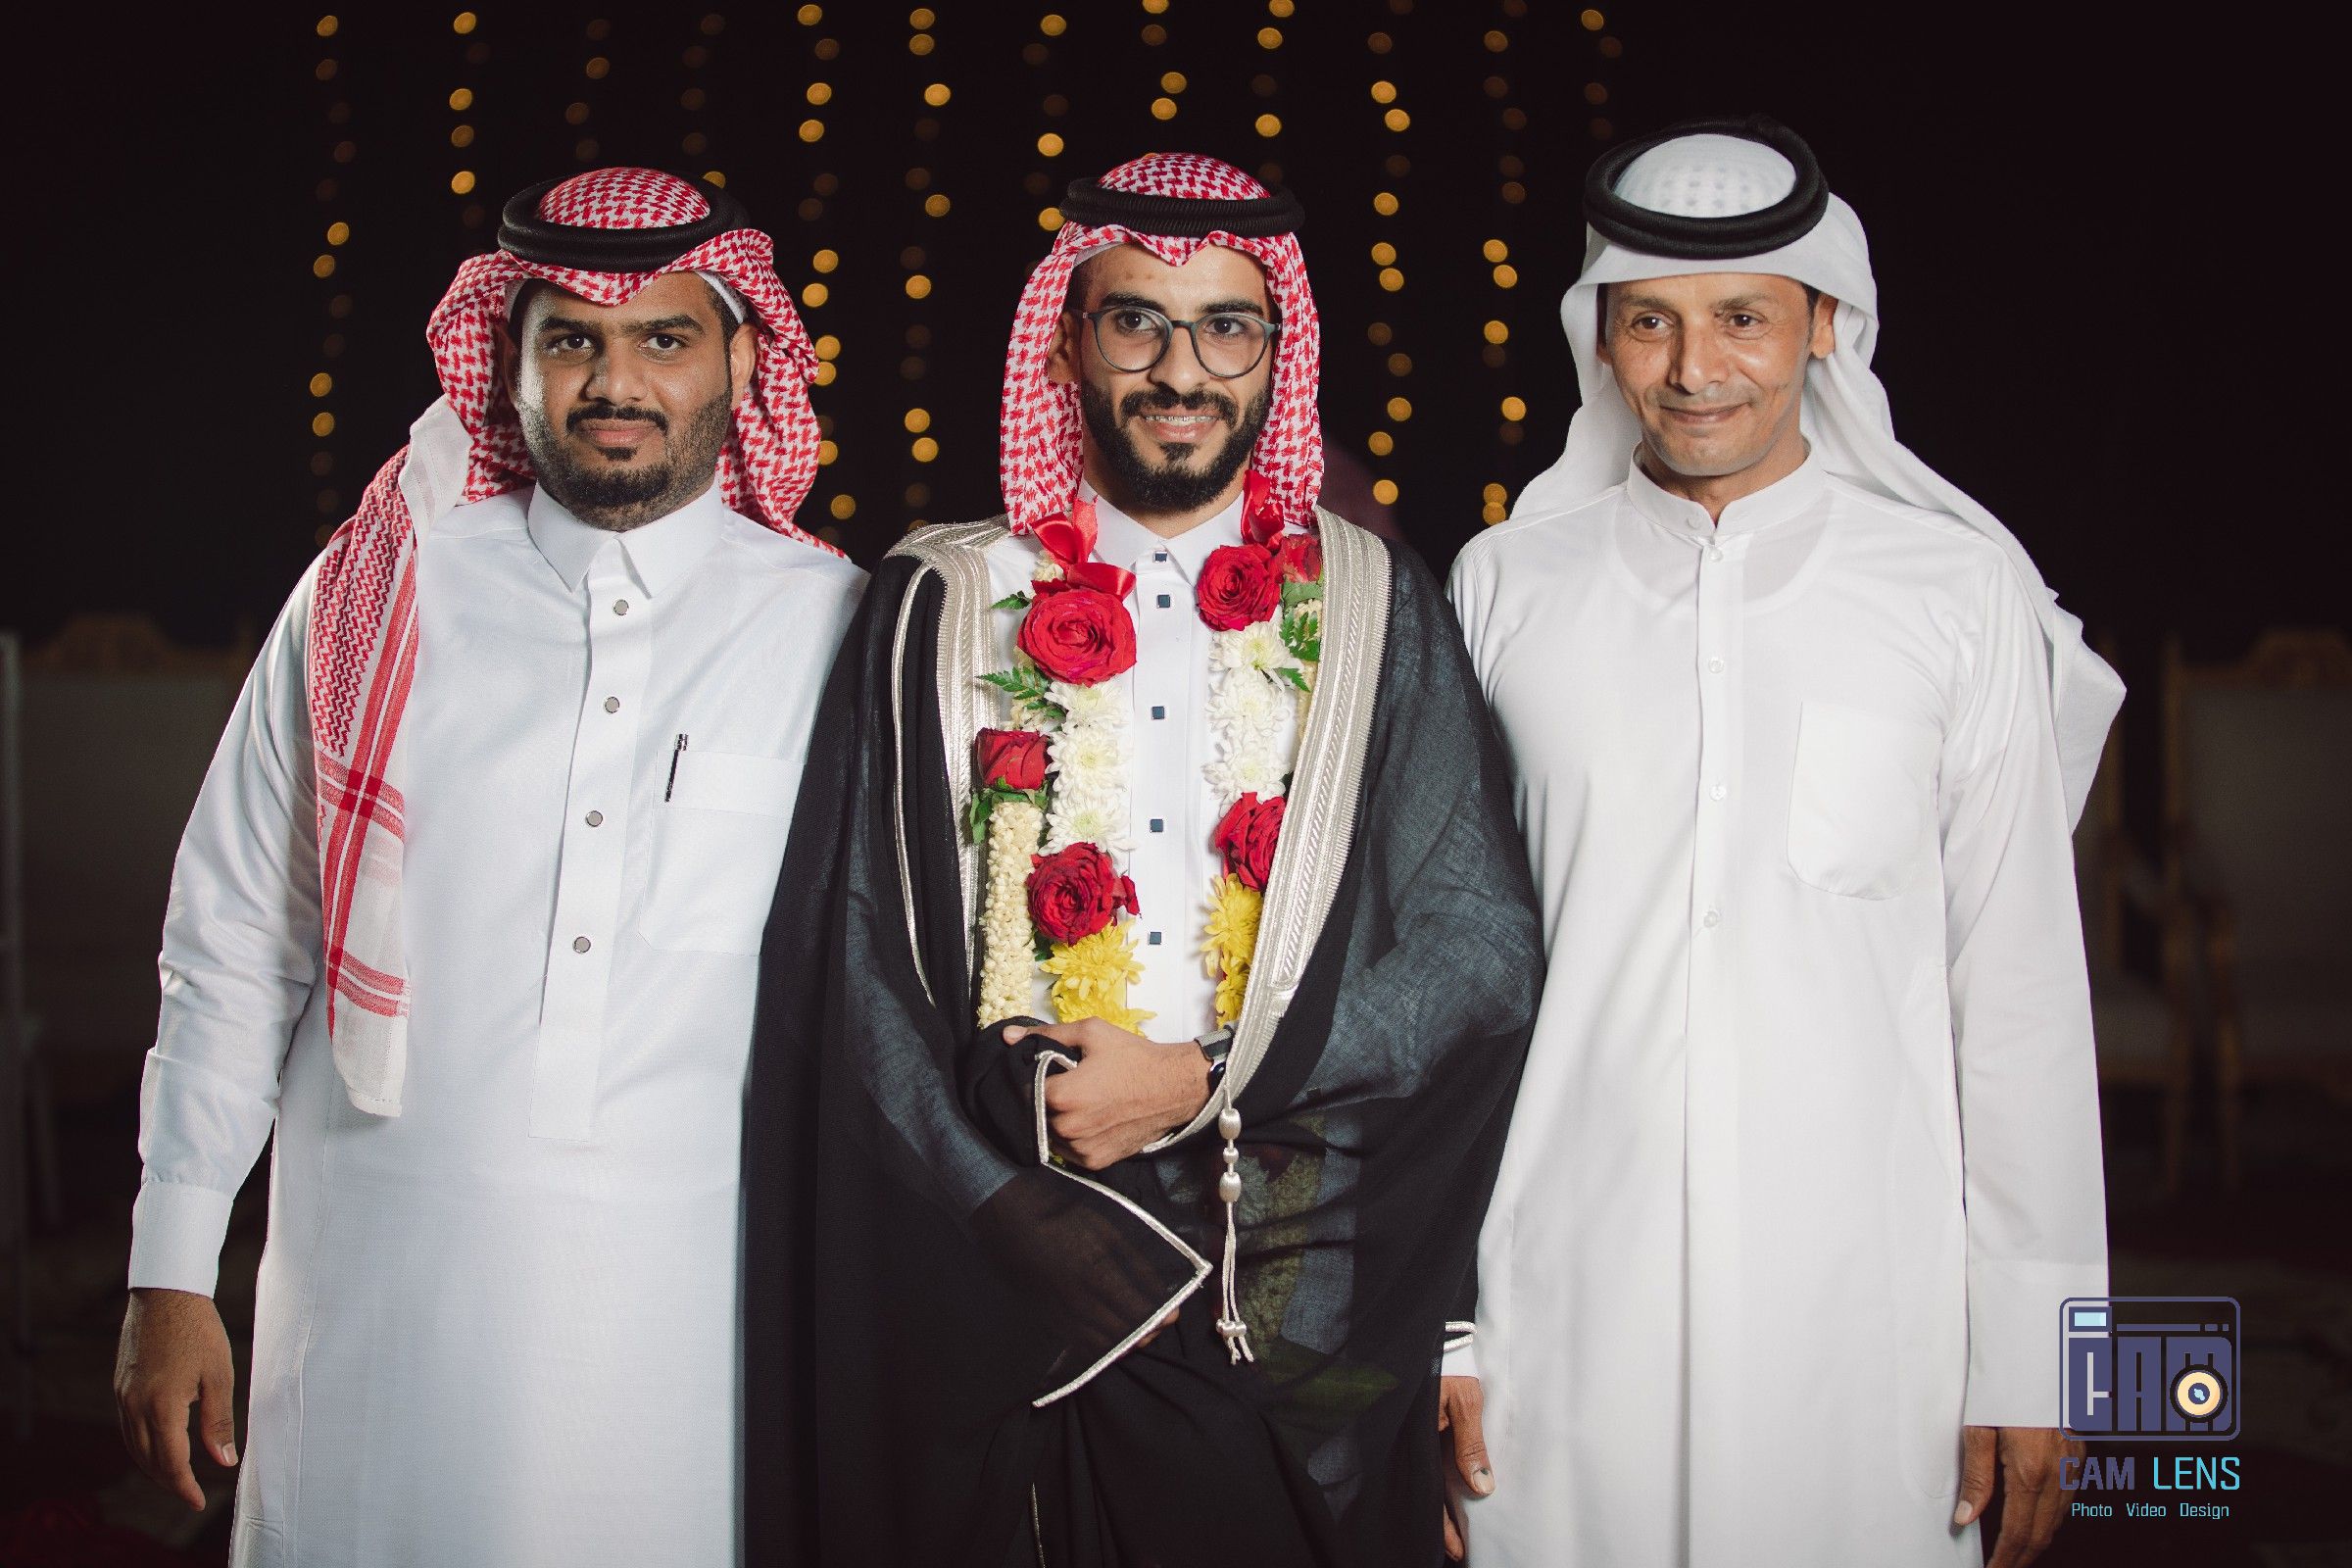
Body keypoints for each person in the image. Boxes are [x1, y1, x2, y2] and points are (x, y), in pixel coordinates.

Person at [742, 153, 1543, 1567]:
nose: (1182, 371)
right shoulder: (939, 601)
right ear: (1067, 344)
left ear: (1278, 354)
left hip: (1301, 1264)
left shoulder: (1370, 604)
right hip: (1019, 1263)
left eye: (1227, 327)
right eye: (1137, 324)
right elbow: (853, 962)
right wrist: (1008, 1199)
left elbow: (1477, 953)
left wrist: (1206, 1078)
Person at [112, 168, 861, 1567]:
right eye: (571, 340)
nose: (615, 383)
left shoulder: (839, 631)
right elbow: (234, 942)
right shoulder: (374, 596)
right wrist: (171, 1268)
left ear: (744, 359)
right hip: (377, 1305)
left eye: (664, 339)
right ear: (507, 361)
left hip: (694, 1328)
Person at [1446, 119, 2118, 1568]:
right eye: (1651, 323)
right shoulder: (1504, 587)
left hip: (1869, 1318)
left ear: (1825, 324)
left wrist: (2043, 1357)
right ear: (1602, 337)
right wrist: (1441, 1331)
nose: (1696, 369)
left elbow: (2018, 994)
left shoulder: (1955, 593)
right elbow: (1446, 982)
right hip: (1562, 1303)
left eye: (1743, 318)